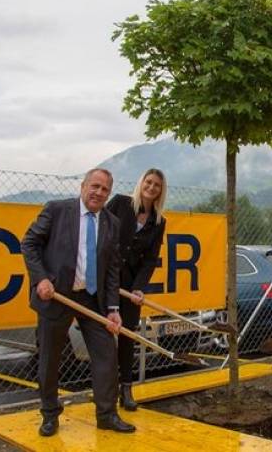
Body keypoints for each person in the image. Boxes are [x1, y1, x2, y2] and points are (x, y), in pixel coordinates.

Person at [21, 168, 135, 436]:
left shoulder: (111, 222)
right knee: (50, 358)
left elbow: (112, 269)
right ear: (83, 186)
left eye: (104, 189)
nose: (98, 193)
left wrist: (113, 309)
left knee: (106, 353)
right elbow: (29, 243)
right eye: (94, 186)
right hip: (57, 294)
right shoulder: (57, 210)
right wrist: (41, 280)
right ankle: (50, 415)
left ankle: (106, 414)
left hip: (91, 298)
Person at [105, 168, 168, 411]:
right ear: (141, 182)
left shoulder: (159, 221)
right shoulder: (120, 204)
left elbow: (151, 259)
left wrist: (140, 288)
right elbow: (100, 231)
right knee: (103, 336)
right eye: (148, 182)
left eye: (157, 185)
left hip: (131, 286)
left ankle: (126, 389)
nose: (151, 187)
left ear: (161, 191)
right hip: (107, 280)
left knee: (127, 336)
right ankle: (105, 390)